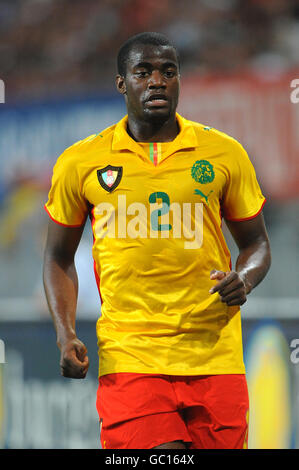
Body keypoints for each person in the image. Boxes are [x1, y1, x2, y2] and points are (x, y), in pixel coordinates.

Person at [43, 32, 271, 450]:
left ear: (180, 80)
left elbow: (256, 244)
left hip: (214, 354)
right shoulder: (81, 161)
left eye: (169, 72)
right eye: (143, 72)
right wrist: (65, 332)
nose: (157, 82)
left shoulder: (224, 153)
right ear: (121, 83)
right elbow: (58, 256)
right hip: (132, 355)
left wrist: (245, 278)